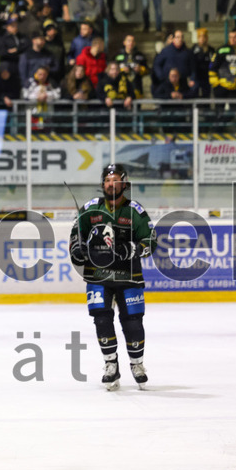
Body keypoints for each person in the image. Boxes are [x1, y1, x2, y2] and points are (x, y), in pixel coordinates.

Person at [69, 165, 157, 390]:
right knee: (101, 319)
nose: (110, 184)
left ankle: (137, 365)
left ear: (125, 184)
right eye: (107, 180)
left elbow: (151, 242)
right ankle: (111, 365)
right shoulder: (90, 209)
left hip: (129, 276)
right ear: (102, 184)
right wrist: (77, 249)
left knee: (133, 323)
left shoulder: (135, 211)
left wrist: (133, 249)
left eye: (115, 180)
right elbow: (75, 234)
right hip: (97, 276)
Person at [208, 27, 236, 99]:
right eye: (230, 37)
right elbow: (212, 66)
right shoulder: (222, 49)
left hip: (235, 87)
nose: (232, 40)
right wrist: (216, 83)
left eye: (234, 37)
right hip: (221, 85)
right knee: (219, 109)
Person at [115, 34, 150, 99]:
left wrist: (140, 69)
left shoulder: (140, 56)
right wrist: (122, 70)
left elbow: (148, 70)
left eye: (132, 41)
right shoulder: (117, 55)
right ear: (124, 42)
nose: (131, 43)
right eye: (129, 41)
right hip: (121, 88)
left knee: (137, 107)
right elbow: (110, 70)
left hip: (136, 87)